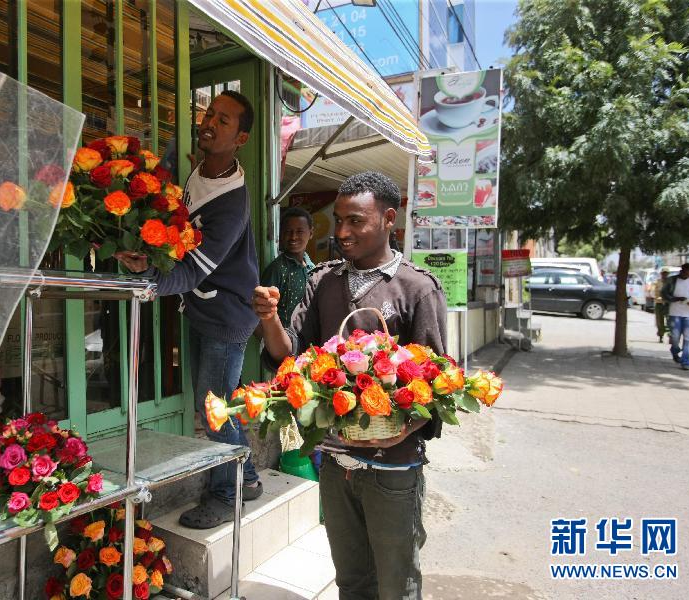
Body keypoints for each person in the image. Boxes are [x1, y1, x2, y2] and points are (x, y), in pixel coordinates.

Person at [253, 172, 447, 600]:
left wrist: (400, 431)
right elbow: (289, 355)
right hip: (336, 463)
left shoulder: (417, 288)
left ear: (389, 219)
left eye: (355, 221)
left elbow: (436, 387)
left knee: (396, 584)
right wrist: (268, 318)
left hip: (392, 468)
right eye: (339, 220)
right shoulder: (322, 282)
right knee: (352, 581)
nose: (341, 232)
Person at [115, 90, 262, 528]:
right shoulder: (201, 170)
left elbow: (193, 271)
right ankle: (249, 477)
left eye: (223, 120)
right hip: (204, 310)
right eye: (209, 114)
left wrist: (149, 277)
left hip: (226, 317)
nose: (209, 123)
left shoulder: (231, 204)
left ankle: (226, 494)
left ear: (241, 139)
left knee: (212, 408)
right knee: (220, 403)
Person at [260, 206, 315, 327]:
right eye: (288, 232)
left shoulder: (312, 268)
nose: (293, 237)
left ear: (311, 233)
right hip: (283, 336)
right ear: (281, 234)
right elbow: (262, 314)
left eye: (299, 231)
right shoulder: (277, 269)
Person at [661, 263, 689, 370]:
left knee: (688, 338)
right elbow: (663, 293)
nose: (687, 274)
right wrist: (675, 299)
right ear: (681, 271)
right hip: (674, 313)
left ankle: (685, 361)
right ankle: (674, 350)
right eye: (685, 272)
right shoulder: (671, 280)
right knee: (675, 337)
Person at [654, 268, 671, 343]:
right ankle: (661, 336)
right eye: (663, 273)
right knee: (659, 321)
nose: (665, 275)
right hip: (659, 303)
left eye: (666, 273)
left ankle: (671, 336)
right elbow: (655, 293)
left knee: (669, 321)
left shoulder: (670, 283)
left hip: (668, 304)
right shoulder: (658, 282)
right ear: (661, 274)